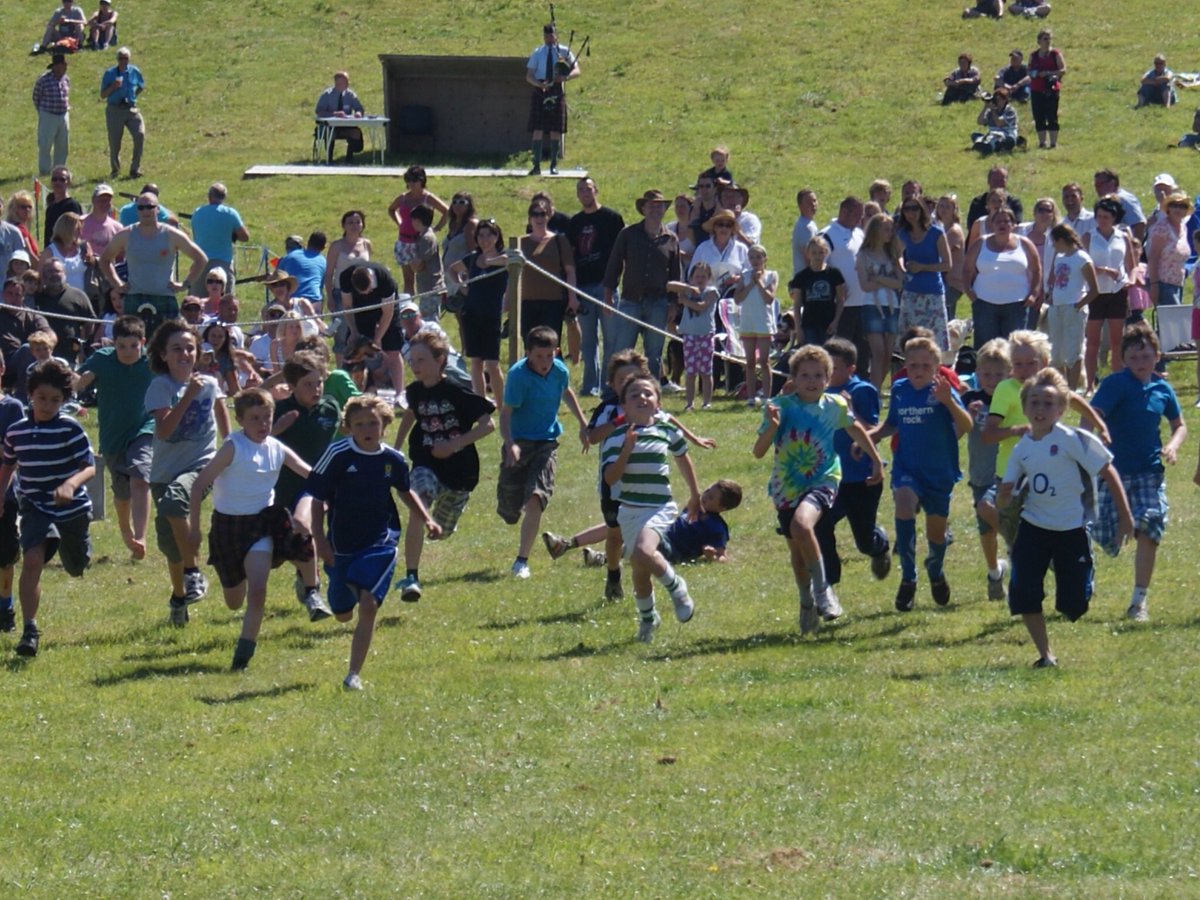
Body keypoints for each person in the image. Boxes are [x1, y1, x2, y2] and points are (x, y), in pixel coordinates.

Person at [999, 368, 1132, 667]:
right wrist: (1005, 497)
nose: (1040, 409)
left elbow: (1107, 471)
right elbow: (1005, 496)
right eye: (1034, 402)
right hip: (1033, 527)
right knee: (1024, 593)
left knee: (1073, 607)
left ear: (1062, 408)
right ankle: (1045, 656)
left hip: (1071, 529)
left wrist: (1125, 517)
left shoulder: (1074, 439)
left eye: (1048, 403)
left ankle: (1085, 579)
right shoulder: (1021, 450)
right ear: (1024, 408)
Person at [307, 394, 439, 690]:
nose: (366, 428)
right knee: (342, 614)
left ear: (384, 425)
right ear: (348, 427)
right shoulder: (338, 454)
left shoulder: (393, 459)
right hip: (340, 544)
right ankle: (345, 583)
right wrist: (320, 542)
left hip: (381, 539)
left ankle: (353, 674)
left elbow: (404, 491)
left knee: (368, 604)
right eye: (359, 423)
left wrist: (427, 518)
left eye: (373, 423)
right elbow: (316, 500)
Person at [188, 388, 319, 671]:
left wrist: (342, 481)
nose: (262, 425)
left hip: (262, 523)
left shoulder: (276, 448)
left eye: (267, 418)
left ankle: (242, 657)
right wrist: (194, 529)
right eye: (255, 418)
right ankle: (236, 586)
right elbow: (199, 486)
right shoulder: (233, 447)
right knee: (234, 601)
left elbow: (311, 474)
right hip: (228, 527)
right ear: (240, 420)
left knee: (258, 591)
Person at [753, 345, 883, 632]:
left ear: (828, 378)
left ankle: (823, 591)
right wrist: (773, 428)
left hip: (823, 478)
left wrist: (876, 460)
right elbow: (758, 452)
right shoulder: (780, 407)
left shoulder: (834, 405)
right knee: (798, 555)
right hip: (787, 485)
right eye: (805, 375)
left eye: (818, 375)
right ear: (794, 379)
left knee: (802, 525)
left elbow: (854, 428)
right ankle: (806, 600)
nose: (812, 381)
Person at [1087, 323, 1186, 624]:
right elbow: (1092, 415)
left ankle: (1138, 601)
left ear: (1157, 356)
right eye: (1133, 357)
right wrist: (1084, 449)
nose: (1140, 363)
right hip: (1112, 473)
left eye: (1145, 356)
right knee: (1096, 535)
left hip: (1148, 473)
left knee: (1150, 526)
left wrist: (1172, 445)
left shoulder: (1162, 389)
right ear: (1123, 359)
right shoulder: (1116, 385)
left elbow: (1180, 425)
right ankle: (1078, 581)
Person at [0, 359, 94, 658]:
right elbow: (7, 466)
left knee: (76, 566)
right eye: (41, 398)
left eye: (55, 400)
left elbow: (88, 467)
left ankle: (78, 551)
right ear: (30, 395)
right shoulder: (16, 432)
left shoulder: (70, 428)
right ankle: (30, 629)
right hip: (36, 507)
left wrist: (70, 485)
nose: (47, 405)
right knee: (31, 560)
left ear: (64, 401)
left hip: (72, 509)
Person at [392, 330, 495, 602]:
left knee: (442, 531)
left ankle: (443, 522)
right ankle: (411, 577)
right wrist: (396, 448)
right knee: (419, 505)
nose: (415, 366)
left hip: (460, 473)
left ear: (441, 360)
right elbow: (411, 415)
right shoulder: (414, 392)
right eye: (412, 361)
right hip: (425, 463)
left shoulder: (457, 391)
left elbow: (488, 425)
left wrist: (454, 445)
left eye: (422, 360)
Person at [871, 336, 972, 610]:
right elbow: (892, 423)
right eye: (912, 365)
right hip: (907, 468)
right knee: (903, 506)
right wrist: (871, 437)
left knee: (936, 534)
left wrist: (948, 402)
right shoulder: (901, 389)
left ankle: (936, 572)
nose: (918, 371)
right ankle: (908, 578)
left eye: (925, 366)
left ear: (937, 367)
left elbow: (967, 424)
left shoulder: (943, 390)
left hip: (939, 473)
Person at [144, 319, 231, 626]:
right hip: (164, 472)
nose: (184, 354)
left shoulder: (208, 383)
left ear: (199, 352)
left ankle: (194, 574)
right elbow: (165, 431)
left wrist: (231, 451)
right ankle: (179, 597)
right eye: (176, 349)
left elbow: (222, 414)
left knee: (173, 503)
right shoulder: (160, 386)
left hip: (200, 466)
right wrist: (186, 397)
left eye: (190, 348)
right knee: (171, 546)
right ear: (163, 355)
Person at [601, 376, 701, 643]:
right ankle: (648, 619)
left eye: (648, 393)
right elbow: (610, 478)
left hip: (660, 507)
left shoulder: (666, 429)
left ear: (658, 402)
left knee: (646, 551)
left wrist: (695, 495)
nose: (642, 398)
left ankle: (677, 588)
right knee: (640, 571)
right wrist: (627, 450)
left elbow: (683, 459)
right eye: (634, 395)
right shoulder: (614, 438)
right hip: (630, 511)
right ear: (623, 405)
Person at [497, 326, 588, 579]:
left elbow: (566, 391)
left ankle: (521, 561)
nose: (545, 362)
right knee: (509, 509)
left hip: (547, 443)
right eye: (539, 356)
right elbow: (505, 415)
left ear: (556, 352)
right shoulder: (518, 376)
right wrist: (510, 443)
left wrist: (583, 424)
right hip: (519, 442)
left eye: (549, 355)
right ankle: (511, 508)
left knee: (536, 498)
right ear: (527, 353)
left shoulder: (559, 370)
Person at [814, 337, 891, 595]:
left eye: (834, 368)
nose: (828, 374)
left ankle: (879, 545)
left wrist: (849, 410)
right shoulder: (818, 392)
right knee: (820, 525)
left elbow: (873, 430)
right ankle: (828, 584)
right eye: (826, 368)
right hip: (829, 477)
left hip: (861, 478)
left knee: (863, 540)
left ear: (851, 369)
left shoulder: (862, 391)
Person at [73, 314, 153, 558]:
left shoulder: (152, 362)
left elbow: (176, 379)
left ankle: (141, 537)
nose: (128, 352)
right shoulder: (102, 360)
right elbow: (79, 384)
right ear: (112, 343)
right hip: (112, 436)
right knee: (122, 492)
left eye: (133, 346)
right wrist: (73, 378)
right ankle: (125, 530)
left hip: (144, 428)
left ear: (143, 342)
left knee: (140, 476)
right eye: (121, 346)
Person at [269, 351, 341, 619]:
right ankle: (304, 573)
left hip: (312, 485)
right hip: (278, 488)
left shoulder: (330, 408)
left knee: (303, 523)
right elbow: (253, 441)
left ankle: (313, 594)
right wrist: (278, 428)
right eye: (307, 385)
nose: (316, 389)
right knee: (278, 549)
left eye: (319, 382)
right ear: (293, 386)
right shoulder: (280, 410)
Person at [100, 191, 207, 336]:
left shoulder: (171, 234)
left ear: (157, 209)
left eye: (150, 207)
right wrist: (117, 284)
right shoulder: (126, 235)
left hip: (164, 296)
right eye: (141, 207)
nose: (145, 211)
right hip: (134, 296)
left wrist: (185, 284)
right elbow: (105, 260)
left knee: (167, 345)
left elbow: (201, 259)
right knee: (134, 343)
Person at [960, 338, 1012, 599]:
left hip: (1008, 473)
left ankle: (1019, 545)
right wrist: (967, 415)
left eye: (998, 374)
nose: (991, 379)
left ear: (1009, 373)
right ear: (977, 373)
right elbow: (957, 433)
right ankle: (994, 573)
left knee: (987, 508)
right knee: (986, 531)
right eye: (986, 374)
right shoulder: (971, 398)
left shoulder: (1014, 397)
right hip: (980, 474)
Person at [566, 177, 626, 396]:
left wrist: (613, 282)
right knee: (588, 340)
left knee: (611, 338)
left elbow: (621, 253)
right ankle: (590, 385)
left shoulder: (612, 218)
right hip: (583, 287)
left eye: (588, 189)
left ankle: (608, 385)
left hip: (606, 286)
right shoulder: (575, 223)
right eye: (580, 190)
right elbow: (571, 256)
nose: (584, 193)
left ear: (596, 191)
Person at [963, 207, 1042, 348]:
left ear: (1013, 225)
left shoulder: (1024, 243)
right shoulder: (980, 243)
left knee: (1013, 348)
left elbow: (1036, 270)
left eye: (1006, 221)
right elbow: (967, 269)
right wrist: (968, 290)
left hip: (1017, 304)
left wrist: (1034, 293)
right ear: (992, 225)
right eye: (998, 221)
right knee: (985, 348)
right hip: (984, 303)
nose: (1002, 224)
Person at [450, 217, 507, 400]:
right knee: (475, 362)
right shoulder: (473, 258)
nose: (485, 239)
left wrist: (489, 262)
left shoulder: (504, 257)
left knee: (492, 363)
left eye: (489, 235)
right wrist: (463, 287)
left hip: (491, 315)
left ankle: (501, 404)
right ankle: (481, 402)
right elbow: (452, 269)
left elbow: (509, 260)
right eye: (481, 235)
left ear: (497, 236)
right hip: (472, 313)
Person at [1081, 196, 1135, 389]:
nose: (1102, 220)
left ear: (1114, 218)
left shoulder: (1123, 237)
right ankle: (1089, 383)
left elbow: (1132, 265)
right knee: (1093, 340)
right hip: (1095, 292)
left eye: (1106, 216)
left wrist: (1131, 279)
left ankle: (1117, 380)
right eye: (1099, 216)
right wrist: (1104, 270)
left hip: (1117, 291)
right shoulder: (1088, 237)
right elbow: (1082, 264)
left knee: (1116, 340)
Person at [1044, 224, 1097, 390]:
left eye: (1054, 241)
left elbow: (1095, 290)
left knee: (1073, 352)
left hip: (1073, 308)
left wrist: (1078, 305)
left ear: (1061, 240)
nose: (1053, 245)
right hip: (1056, 307)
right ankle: (1061, 388)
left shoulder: (1082, 258)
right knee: (1056, 353)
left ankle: (1072, 391)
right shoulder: (1059, 257)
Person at [518, 199, 577, 344]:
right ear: (529, 218)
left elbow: (570, 271)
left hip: (553, 302)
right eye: (535, 214)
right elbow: (512, 271)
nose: (539, 218)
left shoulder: (559, 240)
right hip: (527, 302)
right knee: (529, 344)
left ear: (548, 216)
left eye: (542, 214)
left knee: (550, 344)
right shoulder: (520, 242)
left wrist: (573, 298)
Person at [897, 196, 951, 350]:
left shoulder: (936, 233)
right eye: (906, 209)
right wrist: (902, 267)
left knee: (933, 342)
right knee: (910, 340)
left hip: (932, 293)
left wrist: (922, 267)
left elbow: (947, 264)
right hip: (911, 292)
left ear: (922, 210)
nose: (910, 213)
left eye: (914, 208)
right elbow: (898, 255)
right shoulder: (903, 234)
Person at [526, 22, 580, 175]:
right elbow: (529, 76)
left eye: (552, 35)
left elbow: (577, 70)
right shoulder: (537, 53)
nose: (550, 38)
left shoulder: (564, 51)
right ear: (543, 36)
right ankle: (536, 165)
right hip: (540, 90)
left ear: (556, 35)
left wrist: (565, 77)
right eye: (547, 35)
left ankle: (553, 166)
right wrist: (538, 84)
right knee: (538, 128)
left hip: (557, 89)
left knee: (556, 128)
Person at [855, 214, 901, 390]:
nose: (890, 233)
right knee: (878, 352)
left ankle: (875, 388)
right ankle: (873, 392)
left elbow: (900, 282)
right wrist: (886, 280)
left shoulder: (892, 254)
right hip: (872, 306)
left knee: (888, 354)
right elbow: (865, 285)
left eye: (891, 230)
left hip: (892, 305)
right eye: (886, 229)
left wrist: (880, 278)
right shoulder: (864, 255)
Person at [667, 261, 720, 411]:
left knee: (706, 371)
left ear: (709, 277)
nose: (700, 279)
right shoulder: (688, 291)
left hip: (705, 335)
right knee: (690, 372)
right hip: (689, 335)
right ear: (691, 278)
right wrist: (687, 288)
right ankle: (689, 403)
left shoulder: (712, 292)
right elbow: (669, 285)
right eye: (697, 276)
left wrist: (685, 301)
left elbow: (701, 306)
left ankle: (706, 402)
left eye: (703, 276)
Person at [387, 166, 448, 295]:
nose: (411, 184)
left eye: (415, 181)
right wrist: (400, 222)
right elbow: (391, 209)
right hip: (404, 241)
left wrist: (437, 228)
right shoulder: (403, 198)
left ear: (422, 181)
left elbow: (446, 211)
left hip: (420, 243)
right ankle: (409, 309)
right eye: (409, 181)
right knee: (408, 280)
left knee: (424, 278)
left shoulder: (428, 198)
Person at [733, 245, 778, 407]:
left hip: (763, 323)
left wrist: (758, 282)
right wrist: (750, 283)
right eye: (752, 257)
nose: (755, 260)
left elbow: (769, 298)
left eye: (758, 257)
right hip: (748, 322)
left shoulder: (771, 275)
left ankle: (767, 396)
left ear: (765, 259)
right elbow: (738, 298)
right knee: (750, 362)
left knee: (764, 361)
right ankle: (751, 397)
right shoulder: (744, 276)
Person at [789, 235, 846, 347]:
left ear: (825, 253)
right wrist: (799, 329)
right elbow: (796, 304)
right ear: (808, 254)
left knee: (829, 354)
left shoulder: (834, 273)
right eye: (814, 253)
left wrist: (836, 321)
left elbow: (840, 299)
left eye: (820, 252)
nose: (817, 256)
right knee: (814, 355)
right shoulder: (802, 276)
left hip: (828, 322)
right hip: (809, 323)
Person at [33, 256, 95, 358]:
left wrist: (82, 344)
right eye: (49, 271)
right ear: (43, 275)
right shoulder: (37, 297)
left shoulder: (78, 295)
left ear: (64, 274)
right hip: (41, 356)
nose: (54, 275)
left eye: (57, 271)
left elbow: (89, 323)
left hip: (70, 356)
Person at [100, 47, 146, 179]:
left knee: (140, 134)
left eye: (126, 58)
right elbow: (103, 95)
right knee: (115, 142)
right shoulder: (109, 74)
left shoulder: (134, 71)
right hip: (115, 109)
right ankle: (115, 170)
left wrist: (133, 97)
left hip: (131, 109)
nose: (123, 61)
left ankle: (135, 169)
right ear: (117, 59)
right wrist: (113, 87)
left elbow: (141, 86)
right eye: (121, 58)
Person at [189, 183, 249, 285]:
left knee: (197, 300)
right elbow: (245, 237)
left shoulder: (197, 213)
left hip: (200, 263)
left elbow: (195, 236)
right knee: (226, 300)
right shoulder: (230, 213)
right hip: (223, 262)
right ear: (224, 197)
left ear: (209, 196)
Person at [1145, 192, 1192, 308]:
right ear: (1168, 208)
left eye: (1182, 206)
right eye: (1174, 205)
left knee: (1174, 321)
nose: (1178, 209)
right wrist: (1154, 285)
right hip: (1162, 282)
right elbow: (1153, 258)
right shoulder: (1162, 228)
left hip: (1178, 282)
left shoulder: (1183, 228)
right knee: (1171, 322)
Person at [324, 210, 371, 316]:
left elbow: (368, 269)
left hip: (362, 293)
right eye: (350, 223)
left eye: (358, 222)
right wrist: (330, 297)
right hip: (340, 292)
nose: (354, 225)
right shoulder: (336, 246)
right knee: (342, 330)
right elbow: (329, 273)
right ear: (344, 226)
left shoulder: (367, 244)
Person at [0, 278, 52, 372]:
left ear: (23, 297)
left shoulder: (32, 315)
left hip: (29, 357)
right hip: (3, 358)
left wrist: (45, 347)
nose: (13, 298)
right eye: (9, 293)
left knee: (28, 349)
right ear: (3, 294)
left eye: (17, 295)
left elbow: (50, 335)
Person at [32, 54, 71, 178]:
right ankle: (44, 171)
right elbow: (36, 97)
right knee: (45, 144)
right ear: (55, 67)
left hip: (63, 115)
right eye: (62, 66)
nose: (64, 68)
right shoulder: (43, 80)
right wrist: (43, 112)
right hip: (48, 115)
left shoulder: (66, 79)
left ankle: (59, 171)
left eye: (65, 66)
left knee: (62, 145)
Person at [314, 71, 365, 164]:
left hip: (346, 125)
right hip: (329, 127)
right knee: (330, 134)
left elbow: (359, 108)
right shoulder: (327, 95)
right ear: (337, 83)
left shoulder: (350, 95)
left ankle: (349, 159)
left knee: (356, 133)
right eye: (344, 82)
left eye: (347, 82)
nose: (347, 84)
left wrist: (358, 113)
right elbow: (319, 111)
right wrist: (334, 114)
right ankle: (329, 159)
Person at [407, 207, 445, 323]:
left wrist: (411, 262)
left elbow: (418, 265)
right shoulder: (425, 236)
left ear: (418, 220)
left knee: (430, 321)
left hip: (431, 286)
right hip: (427, 286)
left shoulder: (426, 238)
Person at [40, 212, 93, 297]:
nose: (80, 232)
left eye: (81, 228)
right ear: (67, 230)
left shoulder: (84, 247)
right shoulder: (49, 252)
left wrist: (91, 260)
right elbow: (41, 279)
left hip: (83, 298)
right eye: (77, 229)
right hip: (58, 299)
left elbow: (93, 267)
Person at [1028, 30, 1065, 149]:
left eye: (1049, 38)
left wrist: (1048, 73)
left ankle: (1053, 143)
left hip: (1052, 89)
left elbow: (1062, 70)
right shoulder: (1033, 56)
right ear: (1039, 41)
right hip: (1036, 89)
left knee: (1052, 116)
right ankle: (1042, 142)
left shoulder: (1055, 54)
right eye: (1045, 39)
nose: (1048, 41)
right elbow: (1029, 70)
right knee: (1039, 116)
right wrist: (1037, 74)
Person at [277, 232, 328, 311]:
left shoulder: (289, 256)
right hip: (314, 301)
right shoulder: (324, 261)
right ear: (323, 248)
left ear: (308, 243)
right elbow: (320, 287)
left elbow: (278, 277)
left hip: (292, 301)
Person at [1092, 169, 1147, 242]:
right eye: (1095, 185)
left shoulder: (1125, 199)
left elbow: (1139, 225)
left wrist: (1135, 249)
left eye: (1100, 185)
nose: (1097, 189)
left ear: (1112, 183)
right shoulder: (1104, 202)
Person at [966, 166, 1025, 231]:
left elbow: (1017, 227)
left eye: (1001, 180)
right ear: (988, 181)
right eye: (995, 180)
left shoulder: (1014, 203)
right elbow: (971, 227)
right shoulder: (977, 202)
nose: (998, 183)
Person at [43, 166, 83, 251]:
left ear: (68, 182)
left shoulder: (72, 205)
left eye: (62, 179)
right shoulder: (50, 208)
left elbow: (76, 232)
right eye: (54, 179)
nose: (58, 182)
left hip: (66, 252)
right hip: (51, 252)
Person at [80, 183, 122, 262]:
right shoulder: (80, 223)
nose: (105, 203)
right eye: (101, 200)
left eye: (108, 200)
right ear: (93, 200)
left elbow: (120, 256)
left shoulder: (118, 228)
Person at [972, 88, 1019, 155]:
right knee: (974, 135)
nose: (997, 101)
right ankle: (989, 145)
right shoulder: (990, 111)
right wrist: (985, 107)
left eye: (999, 99)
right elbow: (980, 122)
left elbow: (999, 123)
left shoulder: (1010, 110)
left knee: (1009, 141)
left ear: (1005, 100)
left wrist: (993, 110)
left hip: (1007, 134)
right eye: (996, 99)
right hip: (993, 134)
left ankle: (989, 146)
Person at [791, 189, 819, 278]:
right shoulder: (806, 227)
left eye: (814, 201)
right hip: (806, 280)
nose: (813, 205)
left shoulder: (807, 223)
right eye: (808, 202)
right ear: (800, 206)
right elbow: (808, 256)